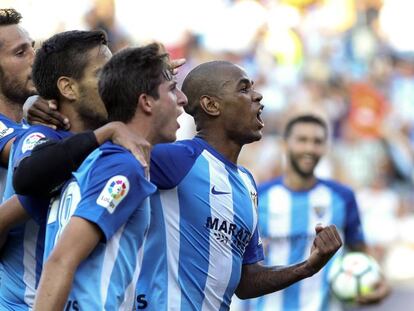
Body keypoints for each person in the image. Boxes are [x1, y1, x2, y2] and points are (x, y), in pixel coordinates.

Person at [14, 60, 342, 310]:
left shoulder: (247, 184)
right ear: (211, 105)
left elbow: (246, 280)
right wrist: (36, 107)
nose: (257, 96)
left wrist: (308, 267)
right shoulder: (176, 159)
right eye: (243, 88)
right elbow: (104, 150)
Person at [0, 29, 149, 310]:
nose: (112, 83)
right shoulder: (37, 141)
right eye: (20, 52)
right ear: (68, 88)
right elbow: (28, 179)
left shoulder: (104, 147)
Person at [34, 43, 187, 310]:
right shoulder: (123, 167)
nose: (183, 99)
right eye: (172, 90)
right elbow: (61, 260)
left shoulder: (94, 157)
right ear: (146, 102)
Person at [238, 114, 389, 311]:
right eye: (302, 140)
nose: (310, 148)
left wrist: (380, 283)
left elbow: (361, 251)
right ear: (285, 145)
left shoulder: (342, 197)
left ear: (325, 147)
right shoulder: (258, 196)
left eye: (317, 141)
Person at [0, 8, 35, 200]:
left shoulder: (28, 125)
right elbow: (33, 159)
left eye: (33, 47)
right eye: (21, 53)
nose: (36, 59)